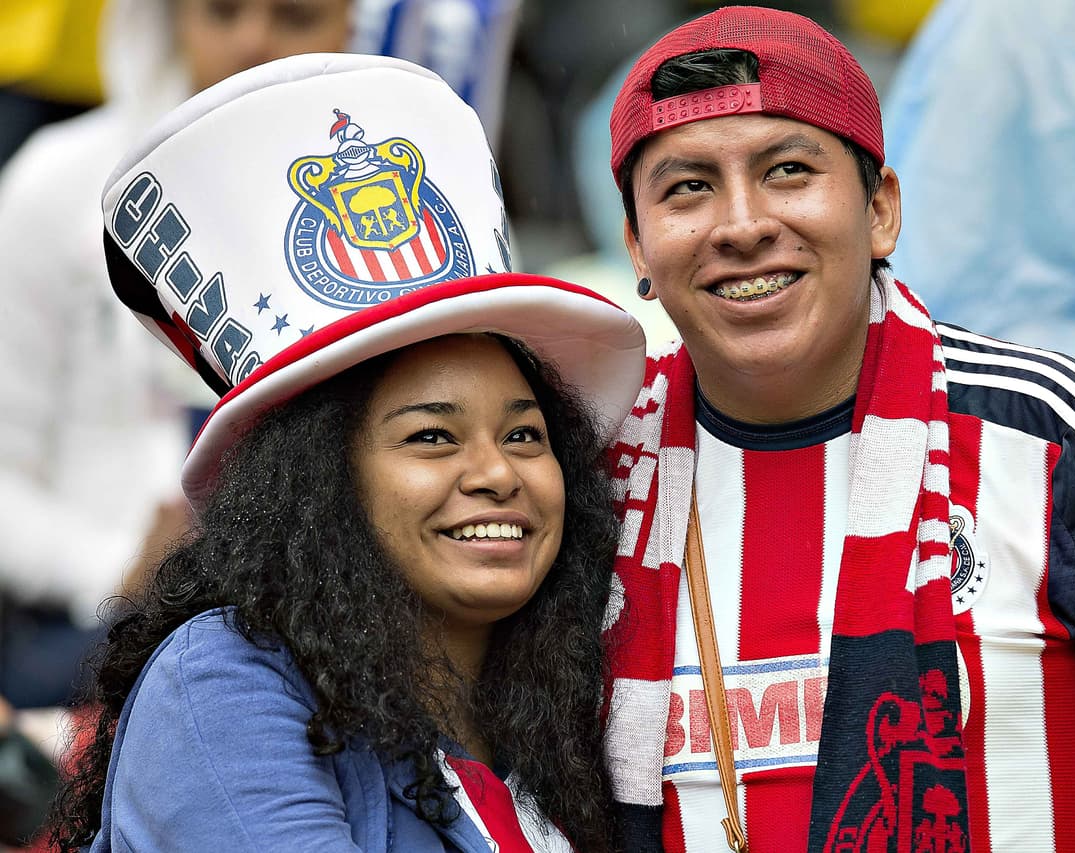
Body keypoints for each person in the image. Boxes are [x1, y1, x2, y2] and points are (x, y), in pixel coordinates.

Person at [598, 7, 1075, 852]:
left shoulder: (1056, 434)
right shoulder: (593, 474)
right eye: (688, 188)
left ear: (881, 209)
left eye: (787, 170)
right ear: (636, 243)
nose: (742, 225)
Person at [45, 52, 647, 852]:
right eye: (432, 435)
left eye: (524, 435)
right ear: (321, 484)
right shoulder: (227, 681)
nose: (498, 473)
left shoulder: (556, 707)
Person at [0, 0, 353, 710]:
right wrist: (118, 565)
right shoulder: (59, 183)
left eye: (295, 15)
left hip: (336, 618)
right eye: (222, 12)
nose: (253, 39)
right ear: (169, 20)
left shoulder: (392, 202)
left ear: (351, 27)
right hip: (89, 639)